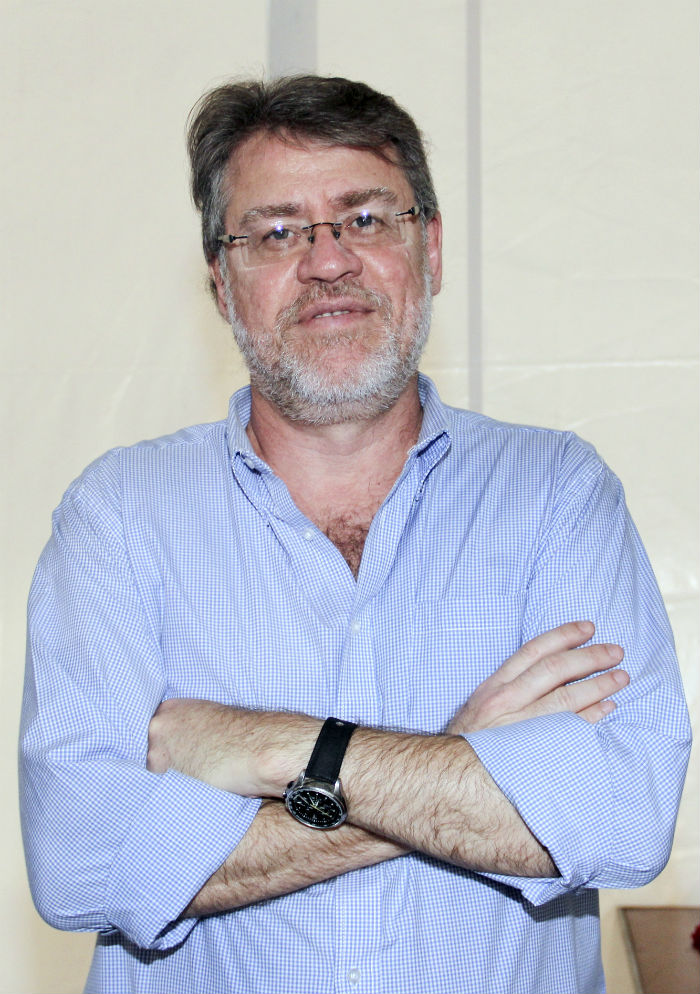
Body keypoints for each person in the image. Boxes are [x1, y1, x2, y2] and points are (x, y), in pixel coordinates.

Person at [20, 75, 690, 994]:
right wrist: (458, 761)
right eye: (278, 231)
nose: (329, 260)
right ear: (221, 280)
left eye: (367, 219)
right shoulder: (119, 516)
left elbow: (621, 817)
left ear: (432, 247)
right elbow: (82, 863)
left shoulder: (557, 495)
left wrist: (275, 751)